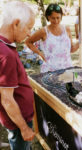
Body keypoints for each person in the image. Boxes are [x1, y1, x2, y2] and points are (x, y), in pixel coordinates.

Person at [0, 1, 35, 150]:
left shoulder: (5, 45)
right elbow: (7, 99)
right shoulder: (6, 54)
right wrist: (24, 128)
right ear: (16, 24)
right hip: (18, 122)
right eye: (28, 28)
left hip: (14, 120)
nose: (29, 33)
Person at [26, 3, 82, 73]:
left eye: (58, 18)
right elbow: (28, 42)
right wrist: (39, 53)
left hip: (67, 69)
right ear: (48, 17)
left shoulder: (67, 29)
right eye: (53, 18)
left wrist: (80, 42)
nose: (56, 21)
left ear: (61, 16)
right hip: (50, 71)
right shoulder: (43, 31)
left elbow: (71, 49)